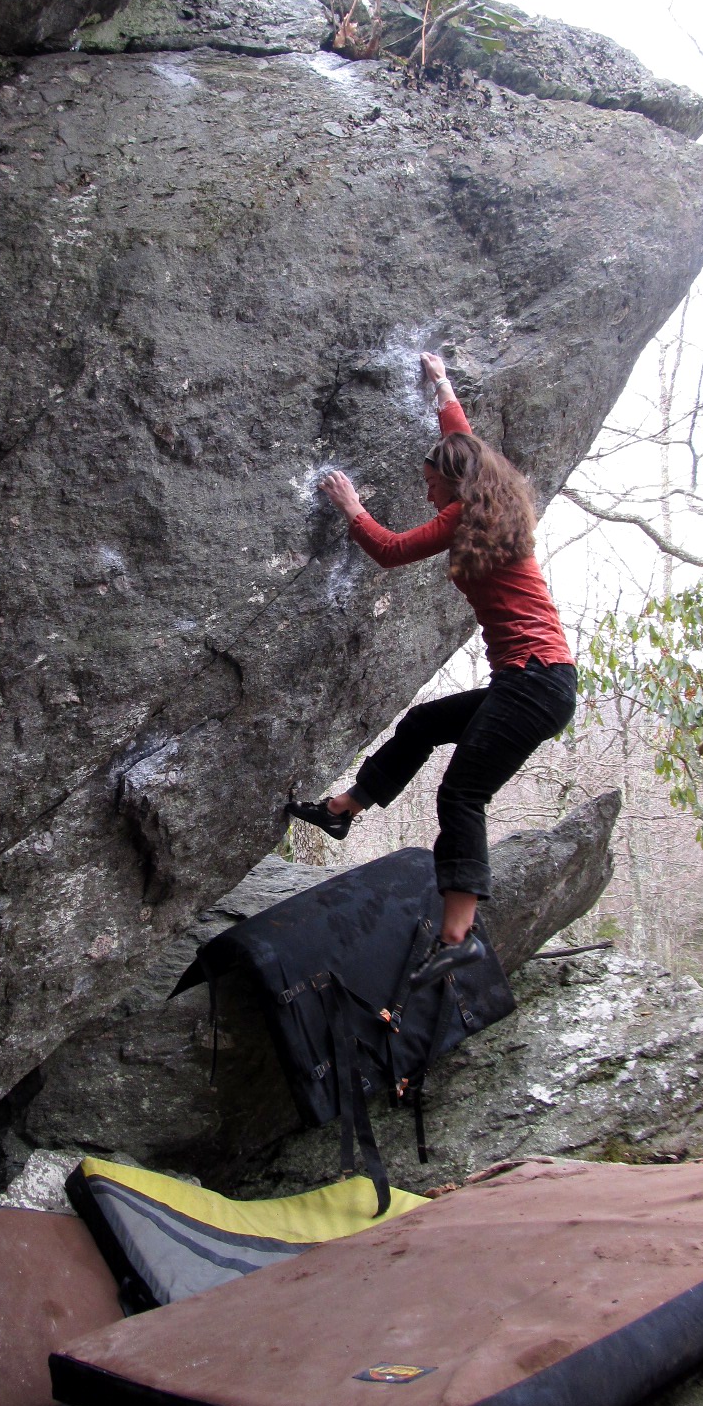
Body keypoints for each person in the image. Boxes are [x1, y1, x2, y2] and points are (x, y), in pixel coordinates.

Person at [287, 351, 576, 975]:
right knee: (422, 724)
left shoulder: (464, 514)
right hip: (538, 682)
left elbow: (391, 550)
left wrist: (351, 505)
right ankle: (341, 812)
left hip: (533, 682)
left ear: (454, 486)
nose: (428, 491)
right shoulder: (490, 498)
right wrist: (442, 385)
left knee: (463, 793)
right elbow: (461, 441)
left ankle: (457, 937)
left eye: (431, 484)